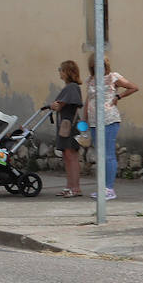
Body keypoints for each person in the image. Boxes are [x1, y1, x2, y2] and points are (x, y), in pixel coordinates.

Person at [83, 56, 138, 201]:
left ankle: (109, 188)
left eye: (100, 63)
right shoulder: (90, 80)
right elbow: (88, 100)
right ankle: (102, 188)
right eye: (94, 64)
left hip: (109, 119)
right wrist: (84, 121)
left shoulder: (113, 77)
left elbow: (133, 87)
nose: (97, 66)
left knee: (108, 154)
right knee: (100, 156)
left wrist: (118, 97)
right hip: (94, 122)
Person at [50, 60, 84, 197]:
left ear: (66, 72)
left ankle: (75, 188)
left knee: (71, 156)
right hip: (66, 126)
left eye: (61, 69)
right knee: (67, 156)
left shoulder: (72, 87)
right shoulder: (71, 87)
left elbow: (59, 105)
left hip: (70, 126)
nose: (59, 72)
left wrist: (53, 106)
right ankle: (70, 186)